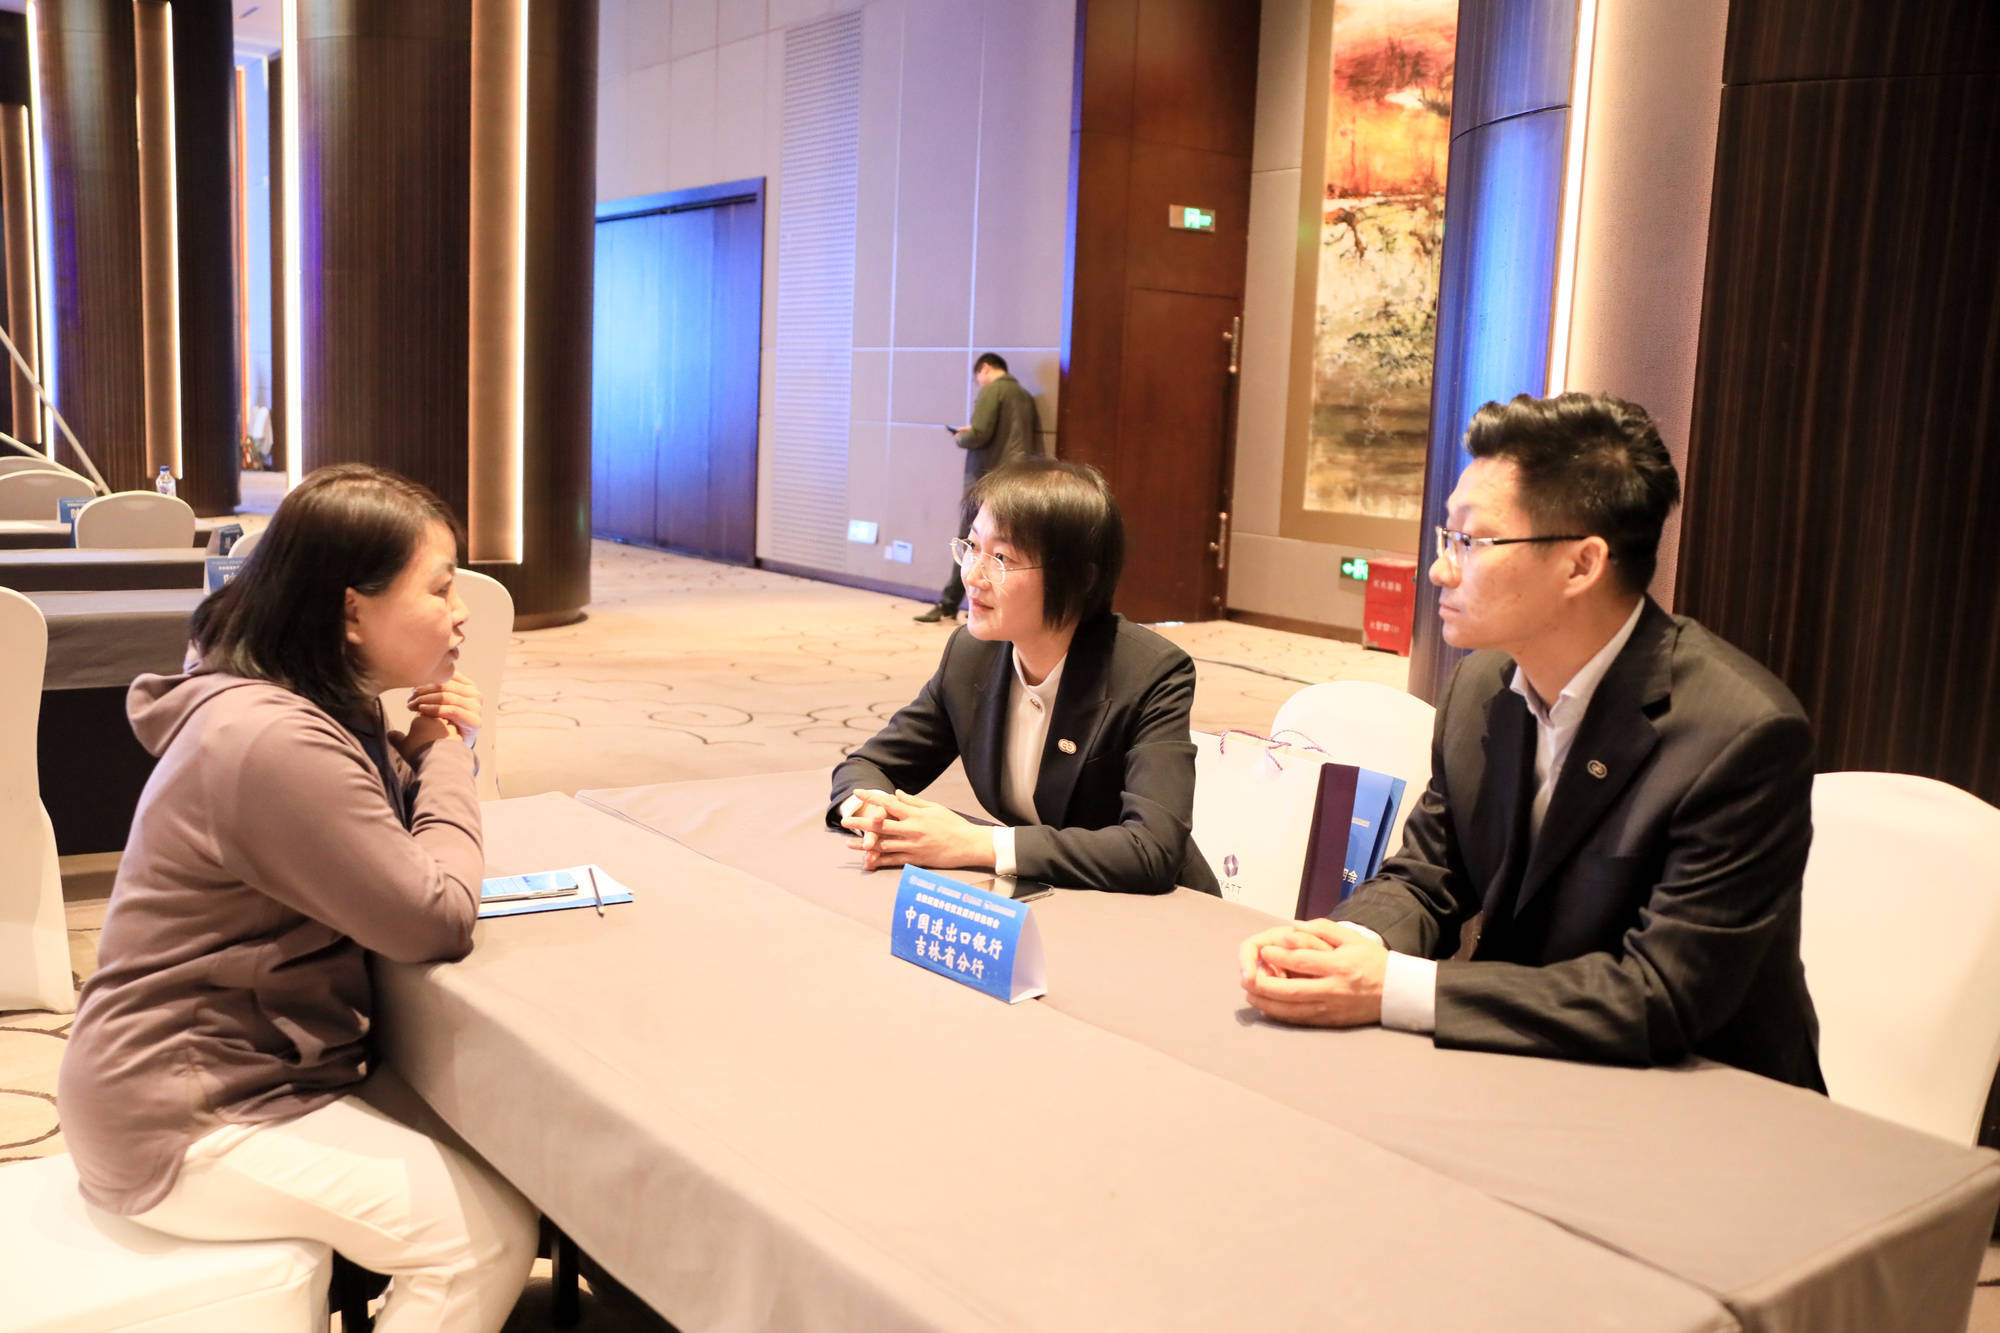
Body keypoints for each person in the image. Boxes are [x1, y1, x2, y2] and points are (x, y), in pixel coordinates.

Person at [57, 464, 539, 1331]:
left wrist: (420, 750)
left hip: (254, 1068)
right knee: (482, 1239)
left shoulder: (313, 703)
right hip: (184, 1110)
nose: (462, 611)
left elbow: (388, 847)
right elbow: (433, 916)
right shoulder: (272, 737)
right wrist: (447, 753)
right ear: (351, 611)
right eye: (440, 588)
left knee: (509, 1130)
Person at [1238, 392, 1824, 1089]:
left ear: (1581, 564)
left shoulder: (1741, 736)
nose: (1440, 569)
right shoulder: (1479, 687)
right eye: (1446, 536)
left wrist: (1391, 987)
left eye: (1472, 542)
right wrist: (1344, 945)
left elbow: (1659, 995)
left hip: (1709, 1097)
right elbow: (1429, 875)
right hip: (1526, 1065)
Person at [837, 458, 1219, 896]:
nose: (973, 575)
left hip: (1161, 912)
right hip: (1048, 897)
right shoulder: (971, 655)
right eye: (972, 546)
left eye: (1001, 558)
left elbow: (1150, 850)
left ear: (1077, 579)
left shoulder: (1150, 673)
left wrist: (976, 843)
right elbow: (869, 766)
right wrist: (876, 817)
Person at [915, 352, 1043, 623]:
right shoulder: (1024, 396)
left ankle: (948, 603)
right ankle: (994, 606)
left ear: (984, 368)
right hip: (1019, 480)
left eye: (978, 377)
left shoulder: (992, 391)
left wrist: (962, 436)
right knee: (1008, 547)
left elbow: (980, 433)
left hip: (989, 480)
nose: (979, 382)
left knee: (969, 542)